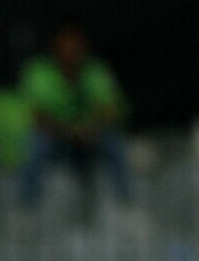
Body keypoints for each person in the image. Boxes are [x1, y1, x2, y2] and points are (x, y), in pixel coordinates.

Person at [16, 20, 130, 211]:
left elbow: (108, 111)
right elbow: (38, 116)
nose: (70, 52)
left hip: (90, 137)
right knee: (35, 145)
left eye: (75, 47)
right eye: (65, 47)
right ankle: (28, 207)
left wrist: (89, 131)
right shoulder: (39, 71)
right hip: (57, 138)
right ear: (54, 48)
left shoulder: (95, 71)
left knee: (114, 142)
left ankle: (126, 204)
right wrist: (69, 133)